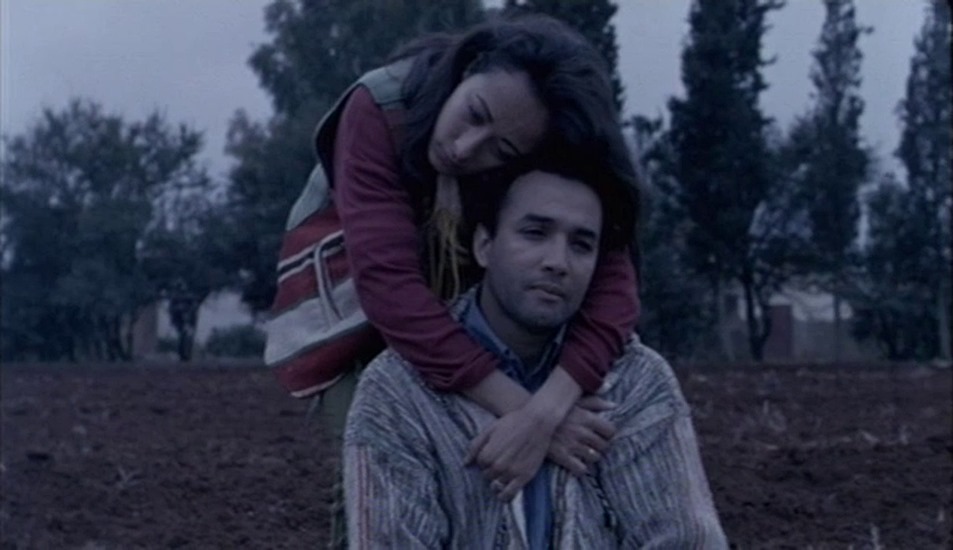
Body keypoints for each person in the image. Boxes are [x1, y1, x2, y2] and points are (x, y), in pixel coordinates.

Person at [280, 13, 642, 546]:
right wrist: (530, 414)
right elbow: (390, 288)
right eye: (474, 114)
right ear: (468, 69)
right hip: (353, 306)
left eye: (502, 151)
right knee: (371, 458)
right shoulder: (378, 107)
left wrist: (546, 411)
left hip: (471, 301)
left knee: (490, 459)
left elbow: (615, 290)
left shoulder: (548, 136)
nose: (465, 148)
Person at [343, 163, 727, 548]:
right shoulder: (398, 391)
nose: (557, 262)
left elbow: (687, 540)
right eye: (535, 233)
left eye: (581, 245)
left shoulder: (636, 382)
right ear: (484, 246)